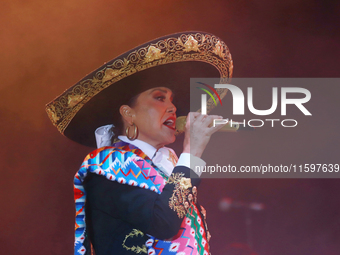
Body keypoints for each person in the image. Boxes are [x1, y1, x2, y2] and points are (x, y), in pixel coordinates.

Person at [46, 32, 233, 255]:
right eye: (160, 98)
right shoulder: (107, 166)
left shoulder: (169, 165)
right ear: (128, 113)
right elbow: (164, 224)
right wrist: (192, 151)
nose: (173, 108)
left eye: (172, 100)